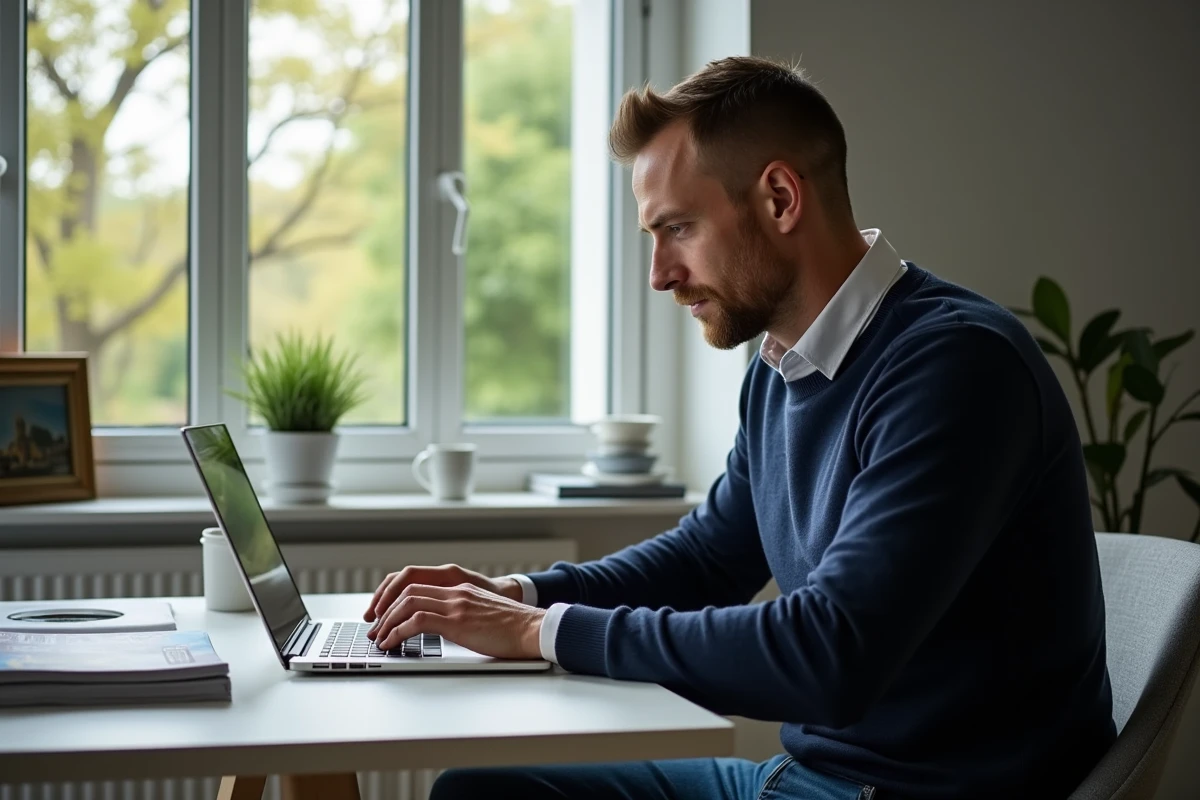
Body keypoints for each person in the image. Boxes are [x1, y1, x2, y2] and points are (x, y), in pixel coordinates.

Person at [364, 56, 1116, 799]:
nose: (659, 273)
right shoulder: (781, 366)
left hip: (907, 793)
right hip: (808, 779)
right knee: (483, 794)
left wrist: (540, 633)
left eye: (679, 228)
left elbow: (831, 654)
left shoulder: (955, 366)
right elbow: (708, 558)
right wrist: (517, 596)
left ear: (781, 198)